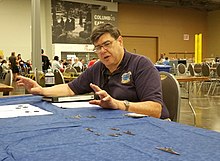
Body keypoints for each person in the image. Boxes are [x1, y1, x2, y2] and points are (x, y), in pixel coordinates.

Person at [16, 23, 169, 119]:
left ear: (120, 41)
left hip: (150, 126)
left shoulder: (141, 65)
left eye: (107, 44)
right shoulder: (98, 67)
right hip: (118, 126)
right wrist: (41, 89)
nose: (102, 51)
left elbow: (155, 110)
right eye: (98, 47)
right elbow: (70, 88)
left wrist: (118, 104)